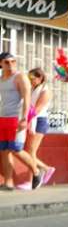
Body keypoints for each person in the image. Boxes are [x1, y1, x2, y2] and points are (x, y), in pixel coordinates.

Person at [0, 53, 41, 191]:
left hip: (16, 118)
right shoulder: (2, 79)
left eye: (13, 61)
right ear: (1, 64)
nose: (10, 64)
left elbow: (27, 98)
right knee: (4, 150)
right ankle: (8, 182)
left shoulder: (20, 77)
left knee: (16, 148)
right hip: (3, 118)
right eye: (6, 62)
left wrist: (24, 118)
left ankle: (36, 171)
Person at [26, 67, 55, 184]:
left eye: (32, 78)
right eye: (29, 78)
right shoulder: (33, 89)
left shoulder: (45, 91)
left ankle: (40, 173)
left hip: (39, 121)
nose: (30, 80)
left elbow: (36, 110)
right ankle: (44, 169)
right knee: (28, 152)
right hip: (32, 120)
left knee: (30, 152)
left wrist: (27, 121)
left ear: (40, 78)